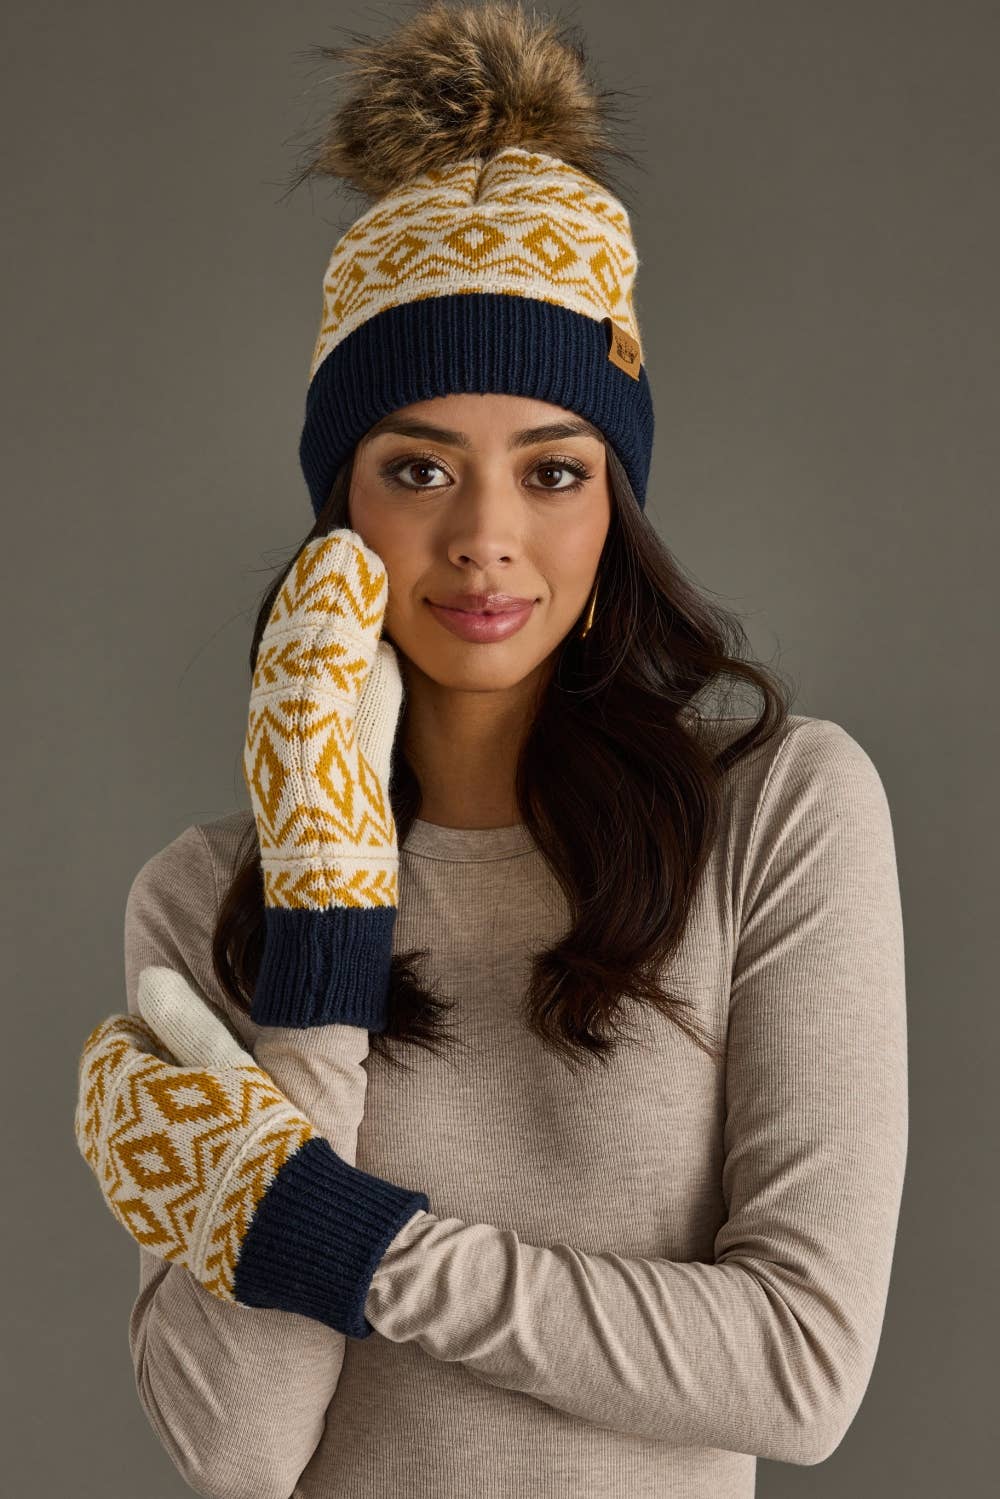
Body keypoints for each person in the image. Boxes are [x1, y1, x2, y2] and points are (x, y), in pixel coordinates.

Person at [76, 4, 908, 1496]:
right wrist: (327, 923)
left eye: (552, 469)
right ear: (342, 508)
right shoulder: (210, 898)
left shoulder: (778, 820)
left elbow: (800, 1366)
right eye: (416, 468)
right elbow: (240, 1452)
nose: (483, 541)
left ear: (615, 504)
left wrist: (337, 1238)